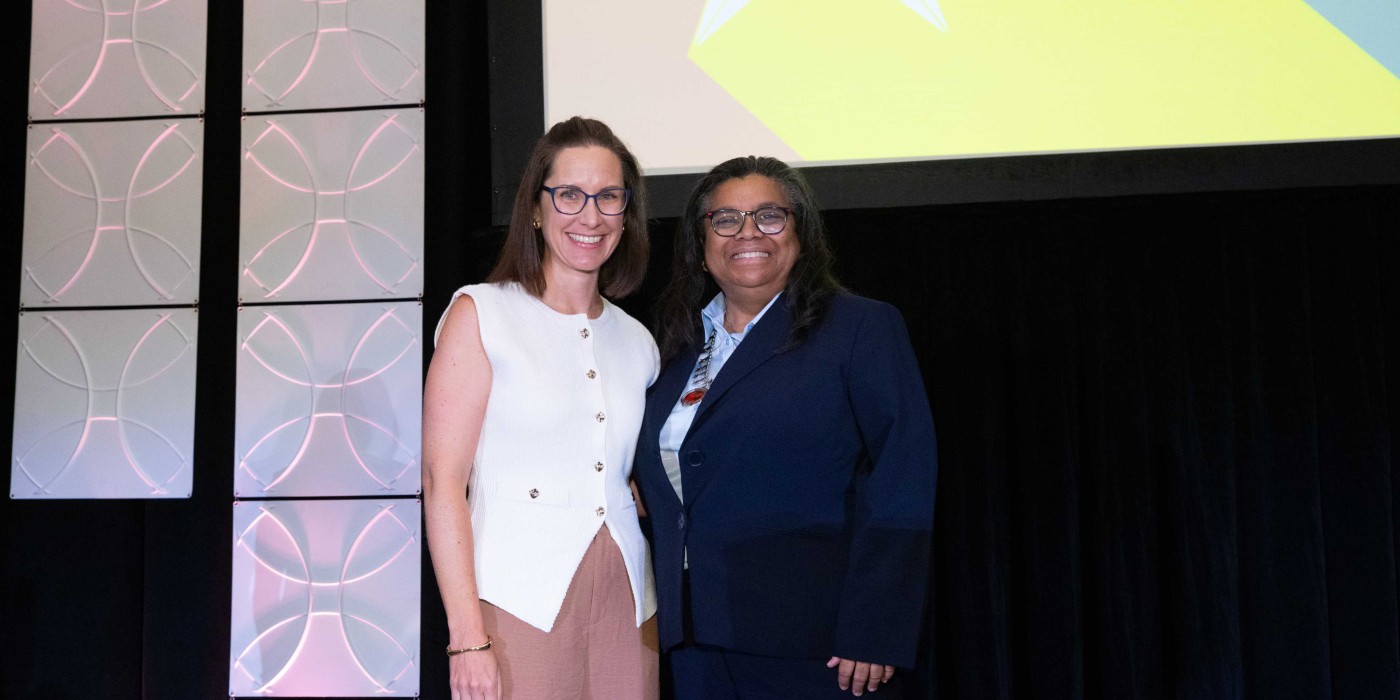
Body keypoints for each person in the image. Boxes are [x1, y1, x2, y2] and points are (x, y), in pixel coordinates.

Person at [634, 156, 938, 698]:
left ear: (802, 233)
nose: (747, 232)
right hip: (695, 639)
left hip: (819, 644)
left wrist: (876, 627)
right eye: (725, 219)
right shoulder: (673, 348)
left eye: (769, 216)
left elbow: (903, 481)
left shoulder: (860, 327)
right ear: (701, 243)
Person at [423, 117, 660, 700]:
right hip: (516, 600)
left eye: (609, 196)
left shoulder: (638, 342)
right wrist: (466, 638)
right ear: (535, 207)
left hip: (631, 604)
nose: (591, 215)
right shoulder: (482, 313)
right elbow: (441, 480)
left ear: (626, 212)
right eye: (569, 194)